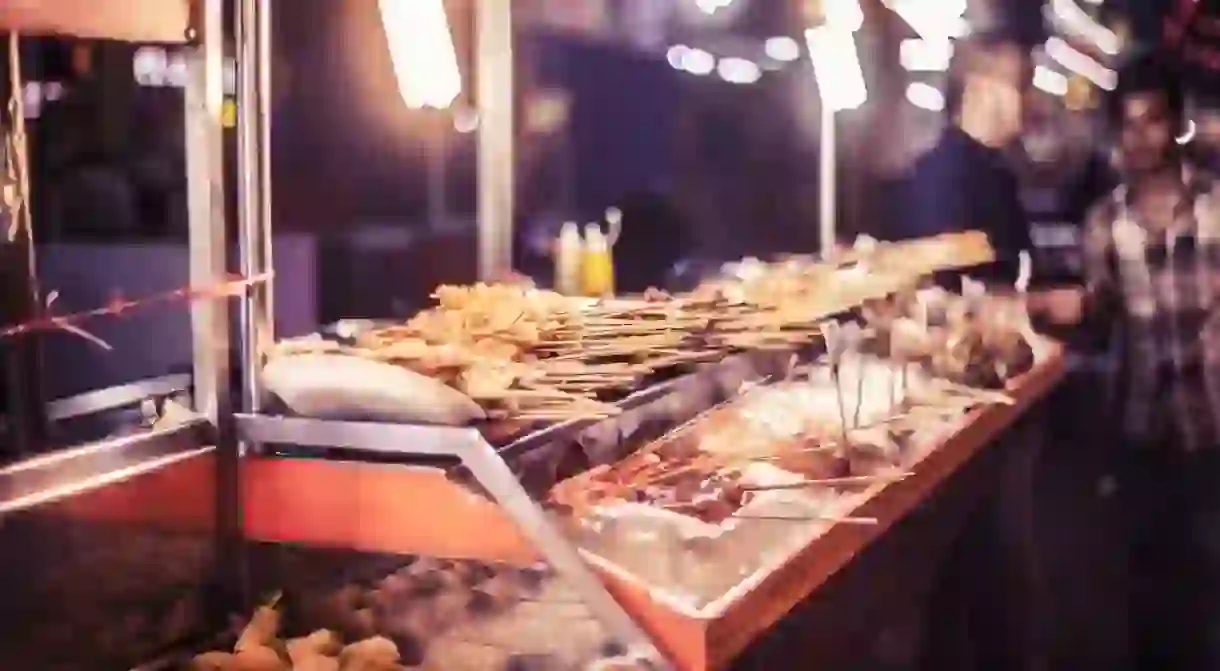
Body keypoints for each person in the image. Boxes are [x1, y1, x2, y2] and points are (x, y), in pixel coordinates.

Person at [1036, 53, 1220, 670]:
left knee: (1210, 590)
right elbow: (1102, 319)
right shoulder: (1103, 225)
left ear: (1177, 126)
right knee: (1145, 593)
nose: (1141, 137)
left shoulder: (1218, 209)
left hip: (1214, 427)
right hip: (1142, 432)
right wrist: (1059, 310)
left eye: (1153, 121)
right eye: (1129, 124)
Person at [902, 32, 1033, 283]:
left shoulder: (996, 174)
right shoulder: (947, 180)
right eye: (1019, 86)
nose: (1028, 101)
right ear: (983, 89)